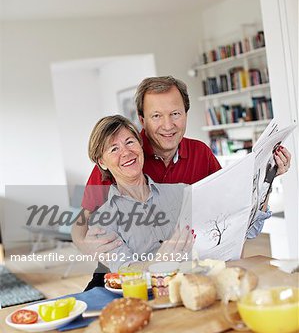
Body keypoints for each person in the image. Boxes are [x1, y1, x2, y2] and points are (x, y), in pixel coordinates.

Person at [71, 77, 291, 285]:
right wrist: (85, 245)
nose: (168, 125)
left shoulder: (199, 157)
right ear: (142, 120)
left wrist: (267, 178)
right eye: (156, 116)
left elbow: (233, 218)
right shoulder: (118, 163)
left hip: (187, 271)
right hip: (125, 276)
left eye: (175, 113)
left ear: (185, 114)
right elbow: (85, 224)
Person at [85, 115, 266, 274]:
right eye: (114, 149)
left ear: (140, 146)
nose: (126, 152)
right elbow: (125, 270)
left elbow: (244, 227)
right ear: (102, 162)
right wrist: (157, 263)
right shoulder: (102, 221)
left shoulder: (182, 192)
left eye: (130, 142)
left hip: (199, 286)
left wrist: (267, 180)